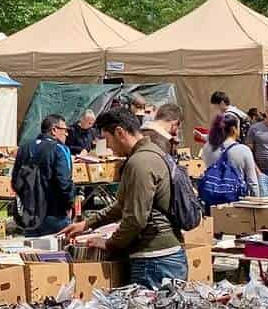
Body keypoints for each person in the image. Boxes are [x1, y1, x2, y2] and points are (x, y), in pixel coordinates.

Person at [62, 111, 185, 286]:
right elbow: (122, 205)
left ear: (120, 132)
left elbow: (135, 219)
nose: (109, 148)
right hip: (159, 257)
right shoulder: (150, 154)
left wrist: (109, 243)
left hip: (154, 260)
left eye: (108, 140)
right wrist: (87, 224)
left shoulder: (140, 162)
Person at [12, 115, 77, 235]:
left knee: (32, 252)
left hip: (30, 215)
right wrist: (70, 203)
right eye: (65, 130)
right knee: (56, 252)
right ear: (54, 130)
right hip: (55, 214)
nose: (67, 134)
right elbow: (64, 182)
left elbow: (15, 181)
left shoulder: (24, 148)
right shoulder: (60, 149)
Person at [200, 111, 261, 201]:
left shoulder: (207, 147)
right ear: (234, 129)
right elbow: (252, 183)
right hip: (236, 203)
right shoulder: (243, 150)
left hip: (213, 200)